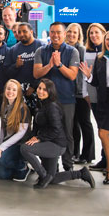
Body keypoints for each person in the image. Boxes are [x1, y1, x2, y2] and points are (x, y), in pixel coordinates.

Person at [19, 79, 95, 189]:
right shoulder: (41, 104)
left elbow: (56, 130)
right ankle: (81, 173)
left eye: (45, 89)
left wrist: (39, 138)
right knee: (52, 178)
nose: (41, 91)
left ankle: (44, 176)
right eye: (39, 88)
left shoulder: (52, 107)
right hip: (48, 142)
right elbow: (38, 126)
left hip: (56, 144)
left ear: (50, 91)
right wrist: (33, 137)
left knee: (24, 149)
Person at [80, 29, 109, 184]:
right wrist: (89, 76)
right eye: (108, 40)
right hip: (103, 99)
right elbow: (96, 83)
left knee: (103, 134)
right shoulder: (100, 58)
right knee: (104, 134)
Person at [33, 21, 79, 171]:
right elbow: (36, 73)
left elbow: (72, 75)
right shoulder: (41, 51)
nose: (55, 35)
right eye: (52, 32)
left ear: (65, 34)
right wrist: (50, 65)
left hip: (66, 99)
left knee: (66, 132)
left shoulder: (73, 52)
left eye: (59, 32)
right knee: (46, 130)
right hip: (45, 102)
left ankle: (68, 164)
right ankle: (51, 164)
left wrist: (59, 65)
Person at [66, 22, 94, 165]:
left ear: (79, 35)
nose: (71, 35)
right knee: (72, 126)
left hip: (81, 93)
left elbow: (85, 73)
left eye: (74, 33)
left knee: (85, 124)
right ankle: (74, 153)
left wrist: (86, 93)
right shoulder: (63, 49)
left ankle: (87, 155)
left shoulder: (82, 50)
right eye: (69, 32)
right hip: (68, 94)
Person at [0, 79, 31, 181]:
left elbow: (20, 133)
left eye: (14, 90)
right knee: (2, 174)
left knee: (2, 158)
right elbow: (2, 128)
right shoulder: (4, 106)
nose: (10, 92)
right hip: (9, 142)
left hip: (19, 144)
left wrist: (2, 146)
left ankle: (23, 167)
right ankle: (14, 167)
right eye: (8, 89)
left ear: (18, 93)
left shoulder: (23, 108)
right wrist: (0, 144)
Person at [3, 23, 43, 89]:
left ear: (31, 32)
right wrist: (16, 66)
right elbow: (7, 73)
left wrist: (34, 86)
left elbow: (47, 70)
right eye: (19, 32)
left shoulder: (42, 46)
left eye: (24, 31)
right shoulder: (13, 50)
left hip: (39, 88)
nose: (21, 34)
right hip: (19, 89)